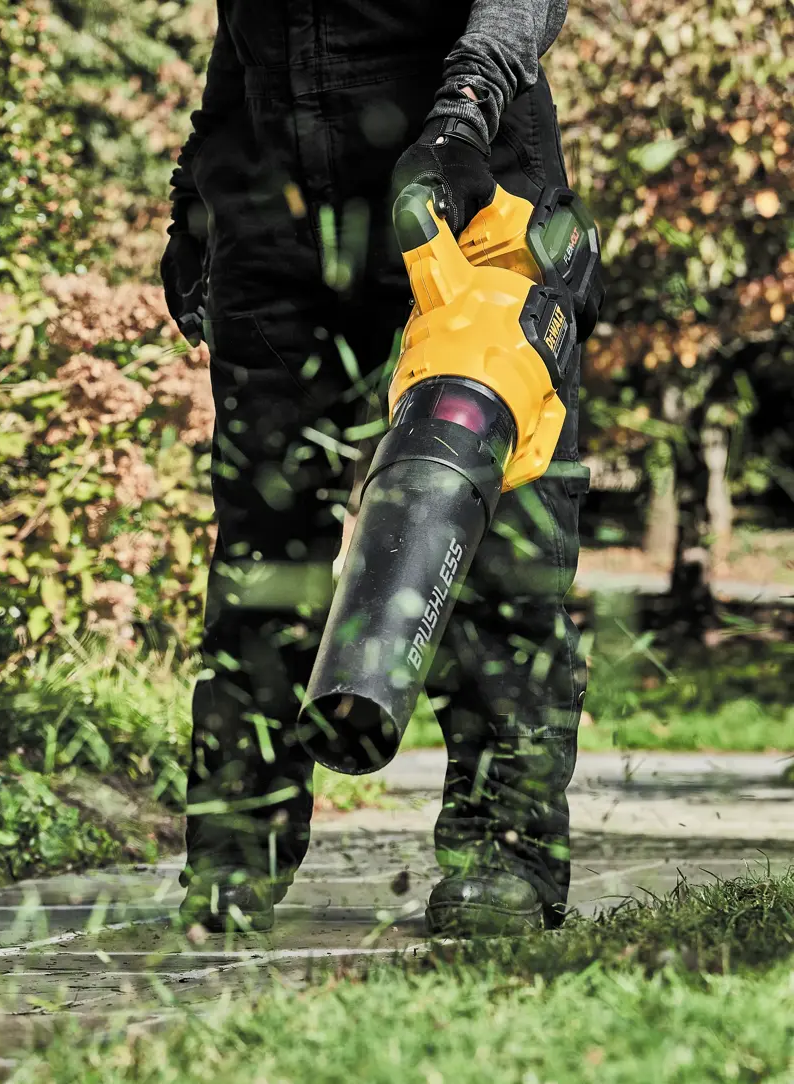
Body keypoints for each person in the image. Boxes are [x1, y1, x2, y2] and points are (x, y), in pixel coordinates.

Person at [162, 0, 594, 936]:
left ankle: (504, 848)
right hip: (274, 200)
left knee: (492, 513)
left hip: (463, 177)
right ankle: (237, 848)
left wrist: (467, 105)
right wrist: (197, 180)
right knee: (263, 537)